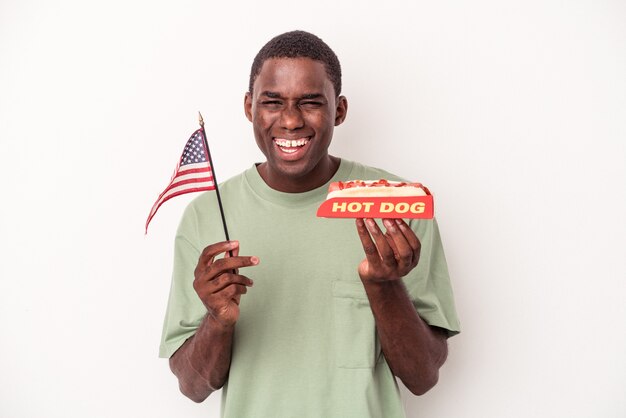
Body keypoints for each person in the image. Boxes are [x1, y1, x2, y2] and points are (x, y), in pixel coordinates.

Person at [159, 30, 460, 418]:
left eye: (310, 103)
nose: (290, 120)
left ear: (339, 110)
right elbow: (192, 386)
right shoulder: (205, 215)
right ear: (250, 107)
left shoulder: (396, 207)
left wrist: (384, 286)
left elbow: (423, 376)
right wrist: (218, 320)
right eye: (272, 102)